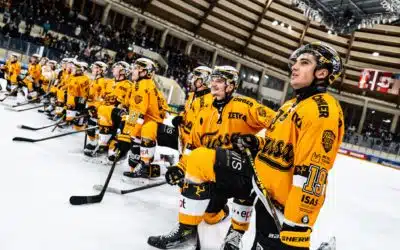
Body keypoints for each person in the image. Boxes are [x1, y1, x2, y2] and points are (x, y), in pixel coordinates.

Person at [148, 42, 344, 250]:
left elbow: (312, 175)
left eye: (304, 63)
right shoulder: (291, 105)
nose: (294, 67)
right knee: (200, 159)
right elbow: (274, 143)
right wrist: (255, 142)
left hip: (281, 204)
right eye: (295, 62)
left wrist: (296, 228)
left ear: (322, 72)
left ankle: (236, 230)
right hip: (261, 184)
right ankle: (188, 230)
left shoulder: (322, 111)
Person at [147, 65, 276, 249]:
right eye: (212, 80)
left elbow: (279, 124)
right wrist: (180, 168)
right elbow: (193, 149)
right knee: (208, 215)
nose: (213, 84)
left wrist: (258, 143)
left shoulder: (246, 106)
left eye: (219, 81)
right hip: (216, 172)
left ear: (230, 86)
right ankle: (216, 212)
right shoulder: (204, 113)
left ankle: (235, 232)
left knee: (210, 162)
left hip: (242, 172)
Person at [115, 58, 169, 178]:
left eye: (136, 68)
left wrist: (128, 134)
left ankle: (146, 165)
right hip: (147, 119)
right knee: (132, 132)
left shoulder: (143, 85)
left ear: (144, 72)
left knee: (142, 132)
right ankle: (137, 166)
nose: (132, 71)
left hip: (153, 122)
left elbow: (137, 113)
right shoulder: (140, 84)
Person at [171, 66, 214, 152]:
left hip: (192, 143)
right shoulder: (192, 95)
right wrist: (181, 118)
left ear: (203, 81)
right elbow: (187, 111)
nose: (191, 80)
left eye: (195, 77)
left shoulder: (208, 102)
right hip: (183, 135)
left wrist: (190, 146)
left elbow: (200, 130)